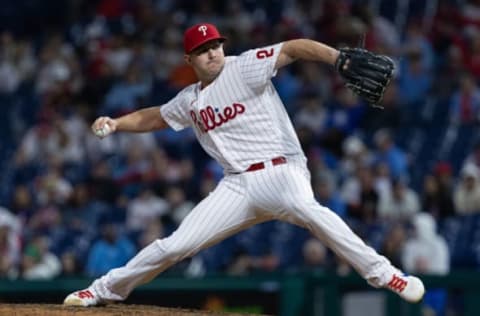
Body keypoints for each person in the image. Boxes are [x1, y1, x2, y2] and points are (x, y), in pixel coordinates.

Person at [64, 23, 425, 306]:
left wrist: (336, 59)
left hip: (282, 170)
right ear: (188, 59)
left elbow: (293, 47)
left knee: (310, 211)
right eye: (202, 50)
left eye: (215, 45)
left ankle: (386, 275)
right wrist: (115, 123)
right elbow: (155, 117)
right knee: (174, 246)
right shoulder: (189, 100)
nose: (212, 53)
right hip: (236, 185)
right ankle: (101, 289)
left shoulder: (244, 67)